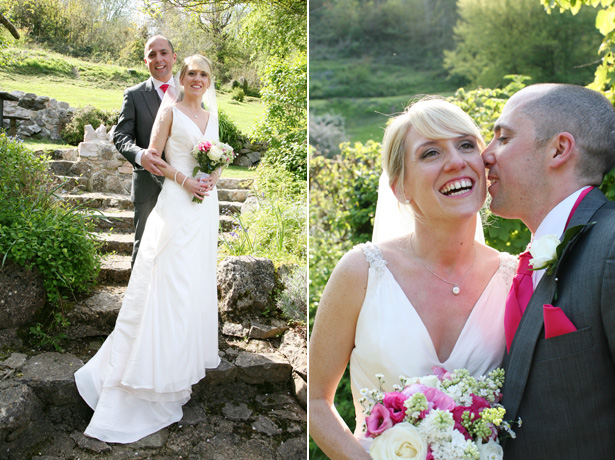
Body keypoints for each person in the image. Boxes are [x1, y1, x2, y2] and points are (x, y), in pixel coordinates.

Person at [309, 97, 516, 458]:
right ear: (400, 188)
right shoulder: (362, 273)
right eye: (430, 153)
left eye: (466, 145)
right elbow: (315, 400)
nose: (456, 161)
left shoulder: (514, 279)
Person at [75, 54, 222, 443]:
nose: (196, 79)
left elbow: (216, 157)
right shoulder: (169, 112)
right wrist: (185, 180)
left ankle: (177, 368)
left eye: (203, 74)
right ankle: (147, 377)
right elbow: (154, 159)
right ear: (182, 76)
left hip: (204, 209)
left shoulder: (211, 117)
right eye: (191, 72)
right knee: (167, 287)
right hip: (176, 203)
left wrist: (213, 174)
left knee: (191, 286)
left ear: (209, 81)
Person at [482, 83, 615, 459]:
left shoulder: (611, 245)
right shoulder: (522, 264)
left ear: (558, 149)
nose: (486, 155)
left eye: (503, 138)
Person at [114, 34, 178, 267]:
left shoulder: (190, 91)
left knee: (177, 247)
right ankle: (138, 304)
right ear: (145, 61)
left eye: (163, 53)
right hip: (147, 185)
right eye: (152, 55)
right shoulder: (133, 94)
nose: (158, 59)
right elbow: (121, 136)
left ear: (174, 56)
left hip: (182, 184)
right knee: (144, 249)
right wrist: (141, 156)